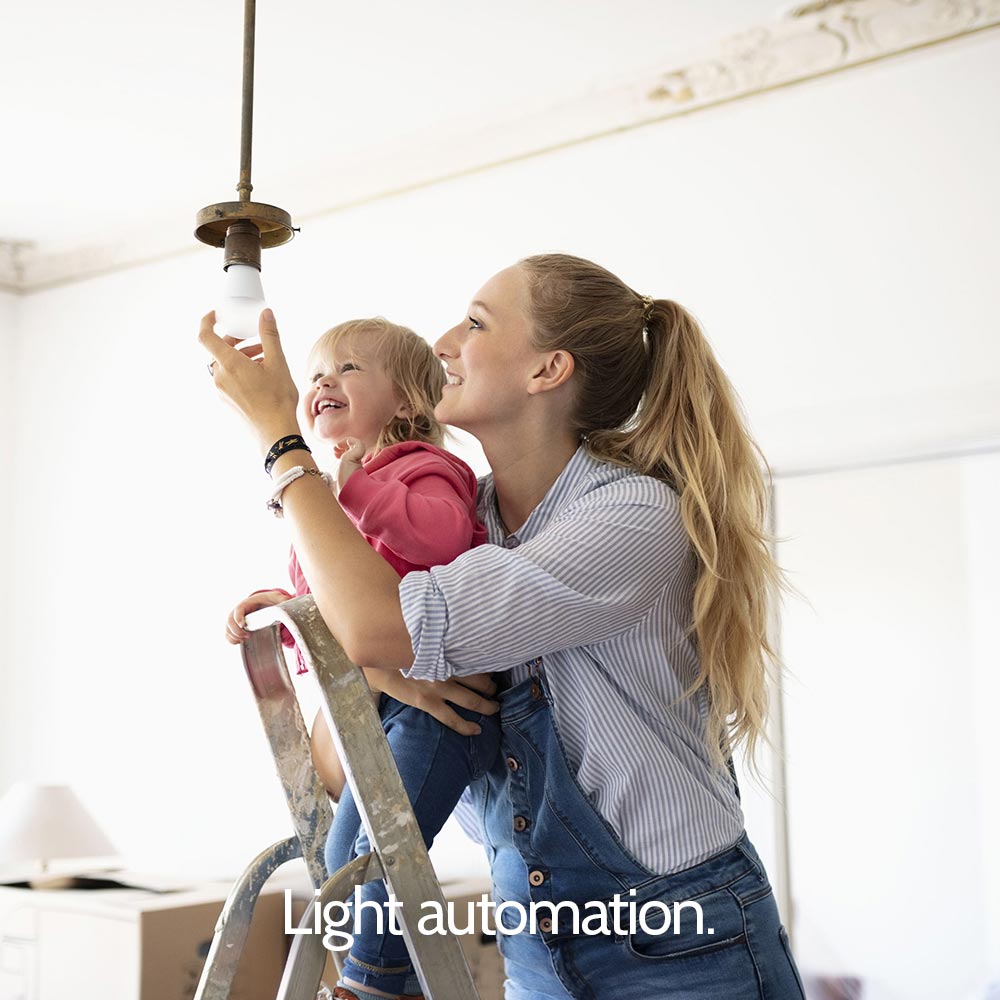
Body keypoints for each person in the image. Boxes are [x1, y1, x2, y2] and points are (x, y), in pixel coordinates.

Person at [201, 253, 806, 1000]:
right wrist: (377, 673)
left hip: (684, 947)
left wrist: (278, 436)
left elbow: (378, 626)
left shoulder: (630, 518)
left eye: (477, 323)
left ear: (548, 370)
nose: (443, 342)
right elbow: (340, 760)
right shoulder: (462, 529)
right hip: (536, 947)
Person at [223, 317, 501, 1000]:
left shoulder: (427, 469)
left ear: (407, 401)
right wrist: (286, 612)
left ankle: (368, 987)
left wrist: (352, 487)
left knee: (376, 859)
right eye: (317, 372)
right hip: (373, 711)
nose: (322, 380)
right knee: (347, 865)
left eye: (348, 368)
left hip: (434, 713)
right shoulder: (332, 498)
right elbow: (335, 608)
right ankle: (387, 982)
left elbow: (436, 539)